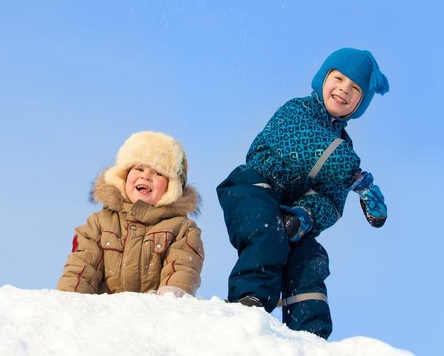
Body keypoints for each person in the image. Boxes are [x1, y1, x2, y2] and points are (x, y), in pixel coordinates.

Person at [216, 48, 389, 338]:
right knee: (267, 231)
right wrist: (358, 179)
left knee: (311, 256)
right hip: (254, 187)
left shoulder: (344, 147)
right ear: (323, 78)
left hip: (288, 209)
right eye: (339, 78)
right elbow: (311, 148)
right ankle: (249, 301)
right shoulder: (297, 111)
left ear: (360, 103)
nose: (344, 89)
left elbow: (332, 201)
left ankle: (310, 333)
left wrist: (305, 216)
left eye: (355, 88)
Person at [57, 131, 204, 297]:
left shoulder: (182, 229)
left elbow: (182, 266)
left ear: (172, 187)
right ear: (123, 177)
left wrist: (172, 295)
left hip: (155, 314)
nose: (145, 176)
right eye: (138, 168)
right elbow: (82, 267)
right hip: (105, 313)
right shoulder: (99, 224)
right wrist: (70, 297)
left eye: (157, 172)